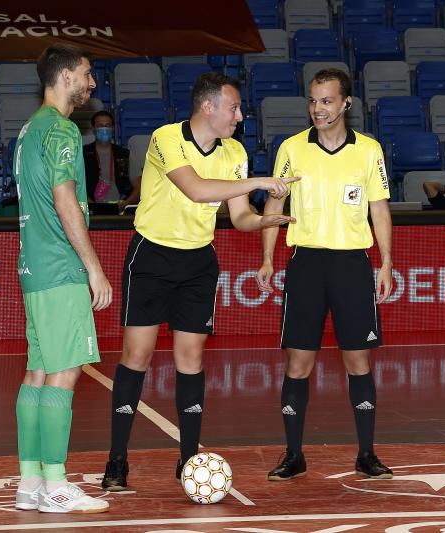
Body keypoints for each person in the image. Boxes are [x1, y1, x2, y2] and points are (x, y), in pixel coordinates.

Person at [101, 72, 298, 490]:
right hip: (152, 257)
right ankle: (117, 460)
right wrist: (260, 181)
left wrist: (264, 221)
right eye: (234, 108)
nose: (239, 117)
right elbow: (195, 189)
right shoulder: (166, 138)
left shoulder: (235, 152)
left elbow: (239, 215)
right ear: (208, 107)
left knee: (190, 360)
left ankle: (189, 459)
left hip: (198, 263)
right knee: (136, 356)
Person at [256, 68, 394, 481]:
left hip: (352, 265)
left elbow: (379, 208)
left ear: (346, 102)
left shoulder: (368, 150)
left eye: (327, 101)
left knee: (358, 362)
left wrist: (386, 262)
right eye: (314, 101)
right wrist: (267, 258)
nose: (318, 108)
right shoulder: (291, 148)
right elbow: (274, 206)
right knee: (298, 363)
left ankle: (366, 454)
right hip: (306, 265)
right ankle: (293, 454)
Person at [13, 44, 112, 513]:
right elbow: (65, 199)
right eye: (87, 74)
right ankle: (54, 484)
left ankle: (30, 482)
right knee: (65, 371)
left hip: (33, 269)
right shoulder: (61, 128)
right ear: (66, 75)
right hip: (59, 267)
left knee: (37, 371)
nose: (92, 83)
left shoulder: (28, 129)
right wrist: (93, 267)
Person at [83, 110, 139, 211]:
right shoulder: (83, 154)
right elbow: (74, 185)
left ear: (113, 128)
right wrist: (88, 203)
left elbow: (139, 187)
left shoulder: (126, 154)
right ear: (93, 129)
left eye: (107, 125)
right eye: (100, 125)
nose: (104, 129)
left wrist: (125, 204)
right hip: (91, 209)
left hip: (120, 209)